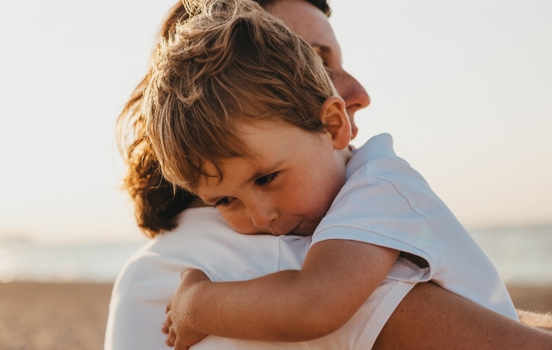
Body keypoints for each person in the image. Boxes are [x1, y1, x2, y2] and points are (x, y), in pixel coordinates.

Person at [105, 1, 552, 349]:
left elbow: (317, 300)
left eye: (266, 179)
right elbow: (313, 302)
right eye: (225, 200)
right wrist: (193, 302)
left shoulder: (375, 190)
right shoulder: (264, 250)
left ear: (332, 124)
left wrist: (196, 304)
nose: (259, 217)